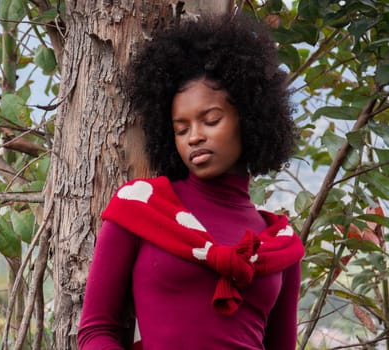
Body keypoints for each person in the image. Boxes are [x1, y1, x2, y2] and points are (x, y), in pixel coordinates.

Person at [77, 12, 304, 350]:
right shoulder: (142, 209)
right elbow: (96, 330)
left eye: (210, 120)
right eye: (181, 129)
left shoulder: (279, 244)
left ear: (250, 116)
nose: (194, 137)